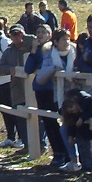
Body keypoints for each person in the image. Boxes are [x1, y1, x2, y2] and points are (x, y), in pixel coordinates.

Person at [23, 25, 67, 167]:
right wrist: (33, 50)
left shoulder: (52, 50)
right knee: (47, 122)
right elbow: (28, 69)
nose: (40, 34)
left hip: (52, 89)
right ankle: (57, 152)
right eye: (38, 32)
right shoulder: (37, 52)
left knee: (56, 121)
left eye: (43, 32)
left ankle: (64, 153)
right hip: (40, 89)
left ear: (50, 35)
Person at [0, 19, 24, 148]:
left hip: (5, 80)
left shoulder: (2, 41)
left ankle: (21, 137)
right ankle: (10, 136)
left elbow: (9, 58)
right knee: (3, 110)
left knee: (12, 109)